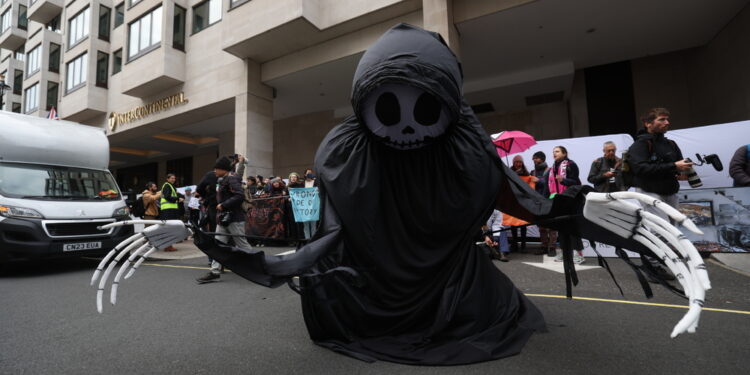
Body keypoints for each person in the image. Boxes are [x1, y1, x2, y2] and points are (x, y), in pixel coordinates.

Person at [627, 108, 692, 281]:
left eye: (667, 120)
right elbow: (641, 168)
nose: (667, 123)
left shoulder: (671, 144)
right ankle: (651, 267)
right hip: (649, 191)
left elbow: (676, 165)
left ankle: (659, 263)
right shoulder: (640, 144)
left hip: (670, 191)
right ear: (648, 124)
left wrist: (682, 172)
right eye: (662, 120)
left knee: (671, 231)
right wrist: (674, 167)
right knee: (659, 230)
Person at [197, 156, 253, 284]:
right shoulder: (225, 178)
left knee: (242, 245)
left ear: (223, 169)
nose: (215, 171)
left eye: (217, 169)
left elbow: (239, 195)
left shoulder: (231, 179)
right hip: (223, 219)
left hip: (233, 218)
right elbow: (239, 175)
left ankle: (259, 266)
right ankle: (215, 272)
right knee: (218, 245)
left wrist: (223, 205)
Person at [548, 146, 585, 264]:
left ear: (564, 153)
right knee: (561, 226)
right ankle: (565, 252)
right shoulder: (553, 167)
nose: (554, 154)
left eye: (557, 151)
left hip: (571, 198)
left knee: (572, 226)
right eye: (553, 152)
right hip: (558, 199)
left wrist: (564, 181)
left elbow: (576, 182)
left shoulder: (571, 164)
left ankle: (578, 254)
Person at [505, 155, 533, 252]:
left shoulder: (526, 173)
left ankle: (523, 245)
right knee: (513, 224)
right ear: (513, 162)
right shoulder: (508, 172)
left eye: (520, 162)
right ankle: (515, 244)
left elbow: (528, 186)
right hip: (513, 201)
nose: (518, 164)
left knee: (523, 224)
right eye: (516, 162)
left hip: (523, 201)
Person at [531, 152, 557, 256]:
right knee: (541, 226)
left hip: (548, 201)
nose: (534, 160)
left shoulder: (550, 170)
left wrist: (539, 181)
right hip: (537, 202)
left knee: (551, 226)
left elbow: (552, 184)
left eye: (536, 158)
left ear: (542, 159)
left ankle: (552, 247)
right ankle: (544, 246)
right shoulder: (532, 172)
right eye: (533, 158)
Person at [159, 174, 183, 251]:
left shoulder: (171, 186)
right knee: (169, 227)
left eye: (174, 178)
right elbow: (167, 197)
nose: (173, 179)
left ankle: (168, 245)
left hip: (170, 210)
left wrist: (180, 197)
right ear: (167, 179)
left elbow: (174, 195)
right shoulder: (167, 185)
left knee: (170, 227)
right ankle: (168, 246)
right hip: (168, 210)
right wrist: (177, 199)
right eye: (172, 178)